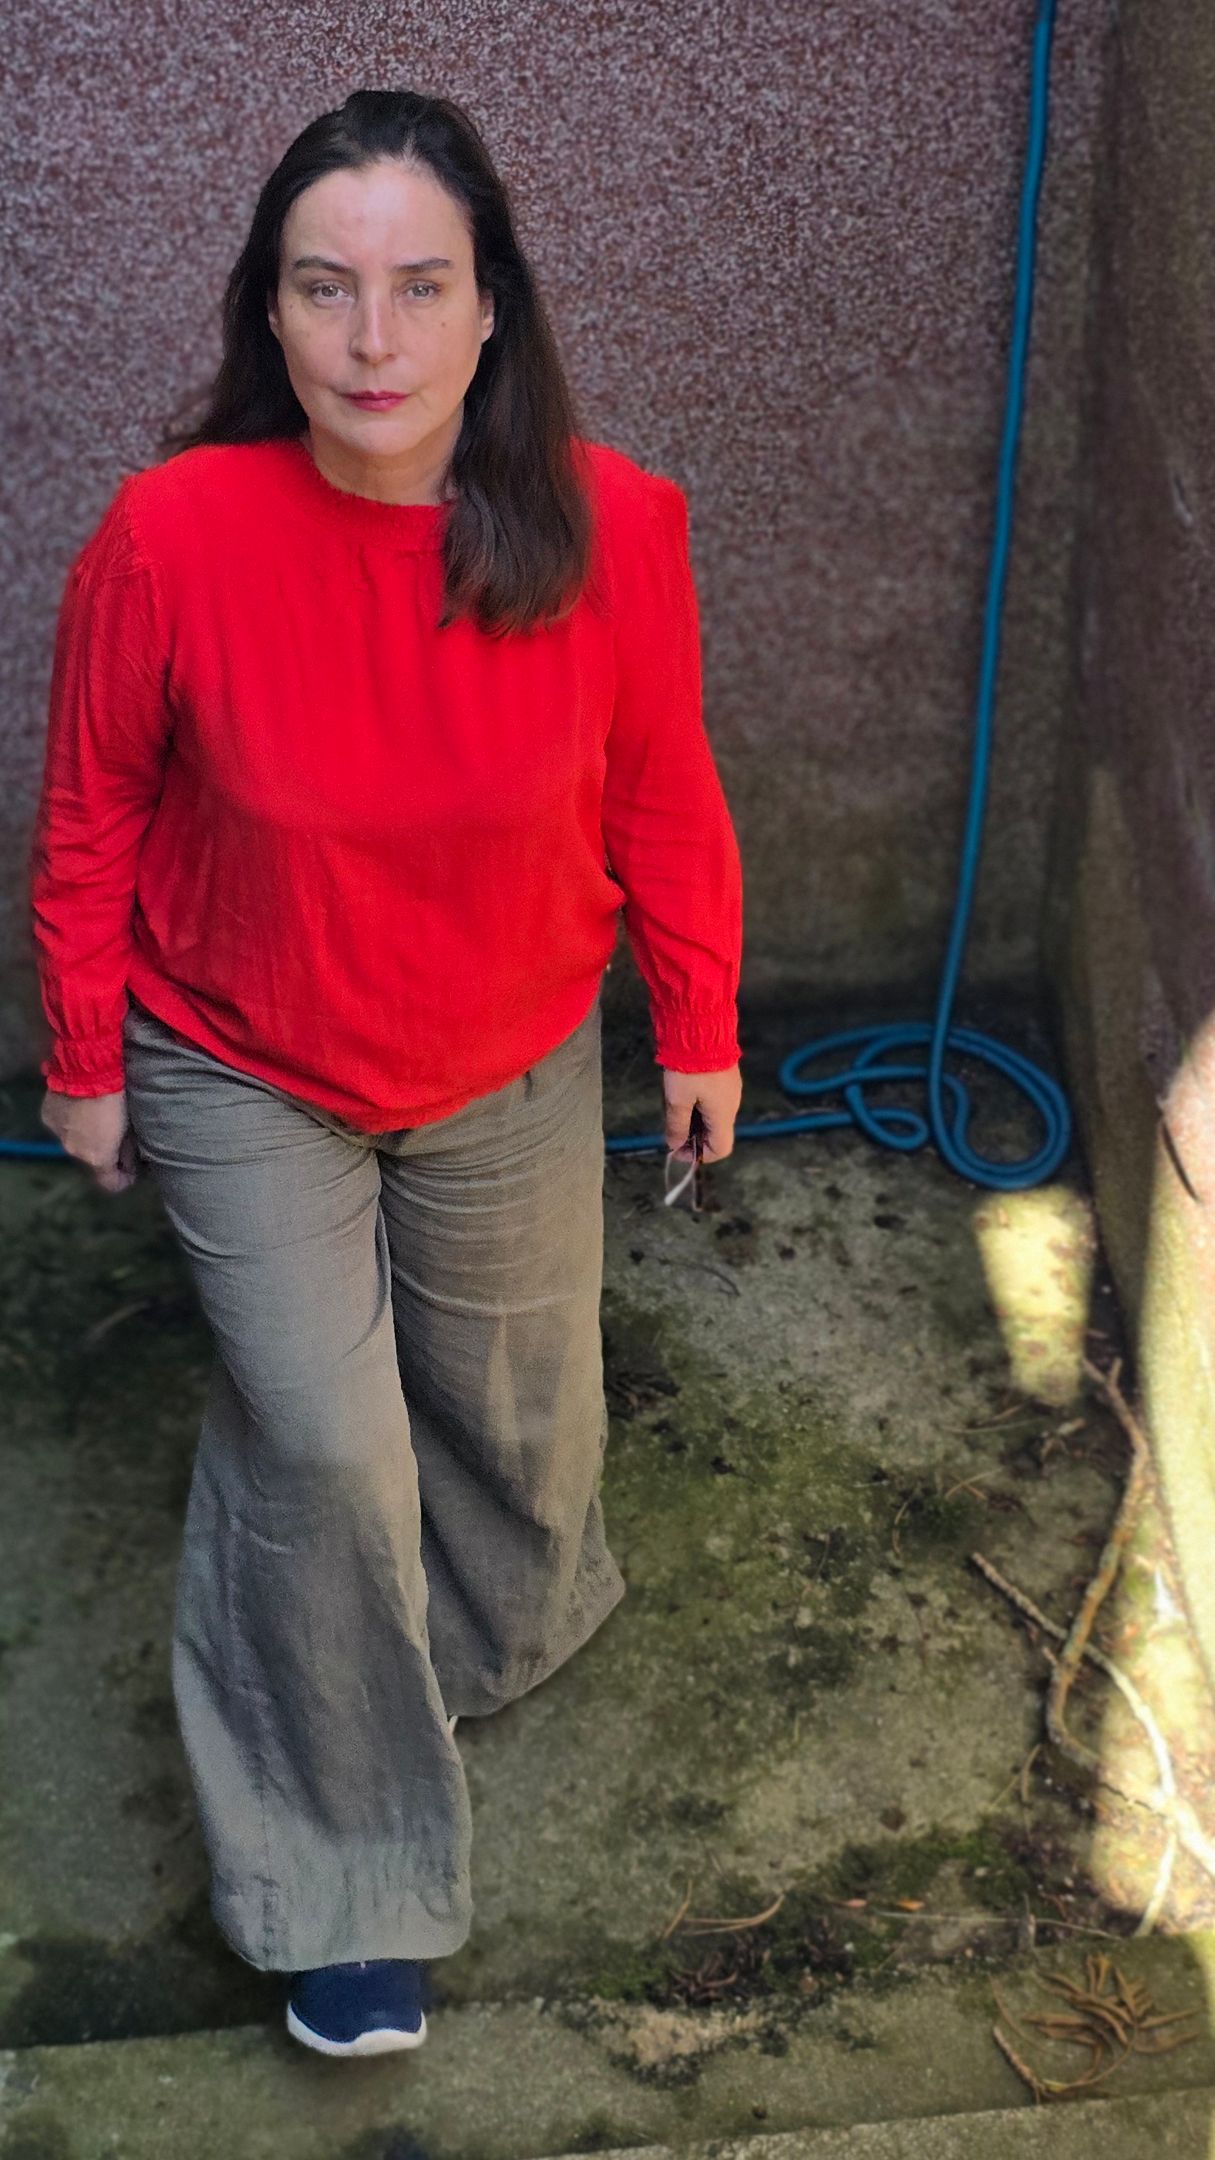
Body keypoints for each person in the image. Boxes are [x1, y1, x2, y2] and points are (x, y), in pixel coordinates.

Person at [27, 87, 744, 2059]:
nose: (372, 339)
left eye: (420, 287)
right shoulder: (173, 536)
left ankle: (472, 1636)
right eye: (323, 289)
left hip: (507, 1049)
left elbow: (662, 789)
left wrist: (698, 1019)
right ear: (267, 315)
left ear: (491, 308)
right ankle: (335, 1870)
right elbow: (91, 805)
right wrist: (84, 1053)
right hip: (240, 1054)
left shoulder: (611, 525)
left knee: (518, 1407)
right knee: (322, 1453)